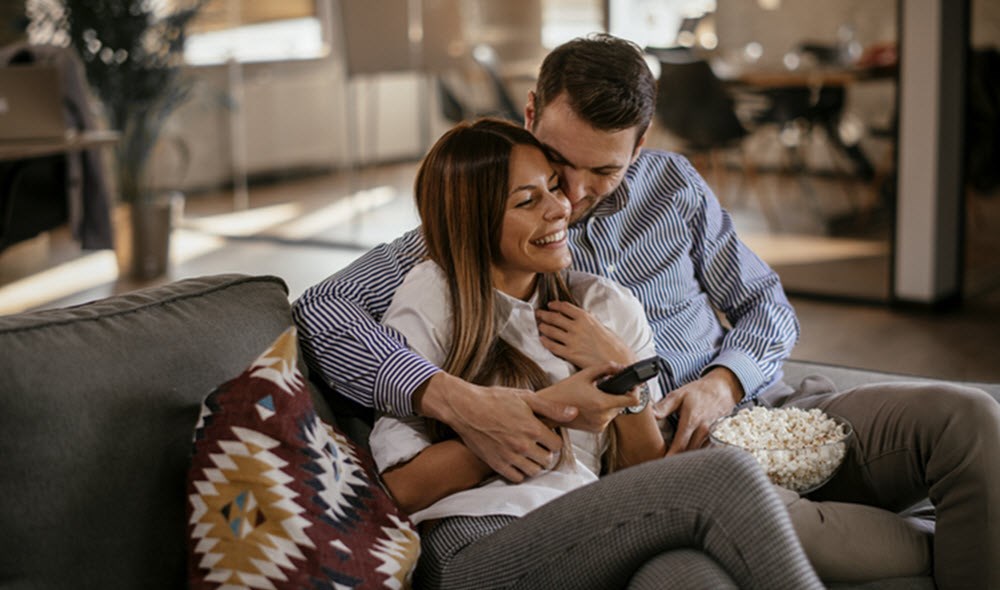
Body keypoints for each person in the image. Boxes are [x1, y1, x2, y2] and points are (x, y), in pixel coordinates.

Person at [293, 34, 1000, 588]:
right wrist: (460, 401)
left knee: (970, 418)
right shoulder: (476, 224)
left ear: (644, 141)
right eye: (557, 165)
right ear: (533, 112)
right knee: (717, 532)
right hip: (655, 467)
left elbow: (765, 305)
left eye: (603, 171)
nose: (570, 196)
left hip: (761, 411)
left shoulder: (676, 189)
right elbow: (323, 310)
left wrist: (721, 384)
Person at [369, 117, 822, 589]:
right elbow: (402, 489)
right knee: (724, 475)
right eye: (528, 201)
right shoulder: (433, 296)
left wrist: (626, 380)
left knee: (686, 576)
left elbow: (643, 468)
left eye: (552, 188)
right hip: (476, 541)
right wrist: (548, 413)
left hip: (581, 521)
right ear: (473, 223)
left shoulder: (605, 305)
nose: (561, 207)